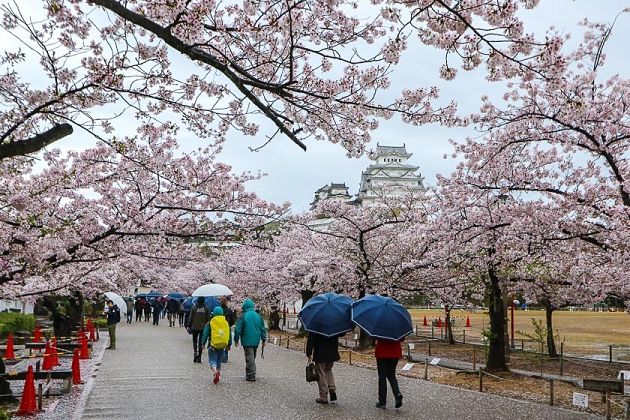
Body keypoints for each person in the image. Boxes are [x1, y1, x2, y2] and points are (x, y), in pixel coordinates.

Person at [233, 298, 267, 381]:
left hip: (246, 339)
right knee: (252, 356)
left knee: (249, 356)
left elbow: (238, 329)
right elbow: (263, 329)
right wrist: (263, 339)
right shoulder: (259, 316)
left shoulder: (243, 316)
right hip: (256, 340)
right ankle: (249, 372)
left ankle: (251, 374)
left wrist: (236, 339)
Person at [305, 332, 340, 404]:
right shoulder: (334, 325)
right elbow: (341, 334)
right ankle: (332, 388)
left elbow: (311, 339)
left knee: (321, 373)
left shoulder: (315, 325)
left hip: (320, 353)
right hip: (332, 352)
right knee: (328, 370)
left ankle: (323, 396)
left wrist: (309, 352)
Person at [201, 306, 232, 384]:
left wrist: (203, 343)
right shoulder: (225, 322)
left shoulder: (211, 322)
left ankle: (215, 371)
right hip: (222, 345)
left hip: (213, 345)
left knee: (212, 360)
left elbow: (205, 333)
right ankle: (218, 371)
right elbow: (229, 334)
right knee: (219, 361)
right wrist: (229, 344)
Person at [374, 339, 403, 409]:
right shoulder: (398, 327)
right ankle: (397, 394)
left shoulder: (380, 327)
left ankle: (382, 402)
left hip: (382, 351)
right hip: (395, 351)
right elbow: (402, 338)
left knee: (382, 377)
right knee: (391, 375)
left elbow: (375, 336)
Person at [187, 297, 211, 363]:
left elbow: (191, 317)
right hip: (203, 328)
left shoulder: (194, 308)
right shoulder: (206, 308)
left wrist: (189, 325)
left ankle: (195, 353)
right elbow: (208, 319)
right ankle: (200, 356)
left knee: (194, 341)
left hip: (194, 327)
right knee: (200, 342)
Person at [220, 297, 235, 362]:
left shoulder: (218, 310)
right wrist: (229, 325)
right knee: (227, 341)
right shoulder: (229, 311)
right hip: (227, 327)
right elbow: (233, 321)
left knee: (220, 341)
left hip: (219, 327)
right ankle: (225, 356)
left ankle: (220, 355)